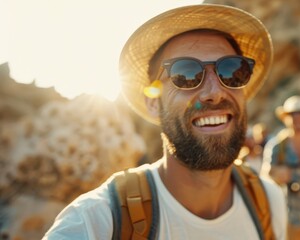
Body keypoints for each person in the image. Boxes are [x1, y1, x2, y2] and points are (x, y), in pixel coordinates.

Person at [43, 4, 286, 240]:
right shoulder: (97, 221)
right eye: (187, 74)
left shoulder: (269, 202)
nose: (215, 92)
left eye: (231, 70)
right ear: (153, 102)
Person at [261, 95, 300, 240]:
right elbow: (264, 177)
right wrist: (276, 175)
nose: (297, 118)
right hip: (292, 220)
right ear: (284, 118)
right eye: (292, 114)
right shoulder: (277, 146)